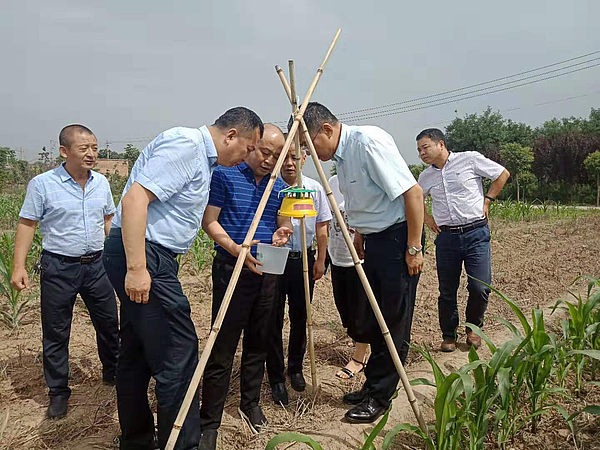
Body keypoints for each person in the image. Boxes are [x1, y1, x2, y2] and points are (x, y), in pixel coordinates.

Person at [102, 107, 264, 450]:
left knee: (136, 350)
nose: (247, 156)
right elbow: (135, 200)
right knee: (179, 352)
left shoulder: (202, 160)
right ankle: (182, 444)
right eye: (249, 148)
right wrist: (137, 268)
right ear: (231, 135)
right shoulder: (187, 146)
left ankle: (137, 440)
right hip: (145, 253)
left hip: (149, 253)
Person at [292, 102, 424, 424]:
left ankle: (380, 397)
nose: (310, 153)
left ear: (326, 129)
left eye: (309, 144)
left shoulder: (367, 142)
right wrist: (362, 235)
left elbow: (414, 193)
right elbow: (367, 201)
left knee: (392, 319)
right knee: (375, 319)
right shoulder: (341, 159)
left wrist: (414, 246)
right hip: (375, 241)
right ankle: (373, 385)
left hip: (397, 241)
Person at [11, 124, 119, 419]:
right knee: (56, 332)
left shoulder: (102, 184)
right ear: (64, 151)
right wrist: (18, 266)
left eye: (94, 148)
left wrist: (117, 257)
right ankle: (58, 391)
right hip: (59, 267)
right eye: (84, 148)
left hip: (97, 266)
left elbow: (109, 220)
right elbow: (27, 224)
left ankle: (113, 373)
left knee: (110, 323)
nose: (91, 154)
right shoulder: (43, 184)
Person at [200, 124, 293, 449]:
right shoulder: (224, 176)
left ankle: (250, 403)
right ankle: (210, 418)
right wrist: (236, 249)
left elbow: (283, 225)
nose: (269, 160)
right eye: (265, 152)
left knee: (259, 339)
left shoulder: (278, 187)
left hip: (266, 268)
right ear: (252, 146)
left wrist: (283, 234)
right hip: (232, 266)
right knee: (223, 343)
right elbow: (210, 221)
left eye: (276, 155)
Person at [416, 128, 510, 353]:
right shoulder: (425, 177)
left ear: (441, 144)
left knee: (479, 286)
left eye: (425, 147)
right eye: (419, 150)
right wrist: (427, 219)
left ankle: (473, 327)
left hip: (475, 232)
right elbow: (415, 199)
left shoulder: (469, 159)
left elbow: (502, 174)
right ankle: (448, 334)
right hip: (446, 237)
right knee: (447, 290)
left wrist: (488, 200)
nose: (422, 153)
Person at [266, 146, 332, 405]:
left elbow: (322, 224)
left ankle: (295, 368)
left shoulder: (314, 189)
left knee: (300, 315)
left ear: (304, 158)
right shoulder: (271, 187)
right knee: (272, 317)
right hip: (274, 257)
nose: (290, 163)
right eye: (285, 158)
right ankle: (275, 376)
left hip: (303, 258)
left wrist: (321, 259)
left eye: (295, 157)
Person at [327, 174, 369, 380]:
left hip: (360, 259)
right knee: (344, 308)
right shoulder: (333, 181)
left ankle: (359, 358)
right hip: (337, 255)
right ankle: (360, 342)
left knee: (361, 310)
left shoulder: (365, 180)